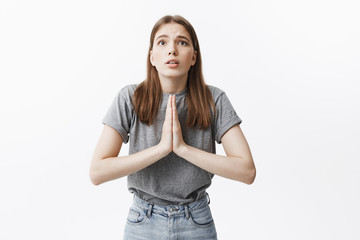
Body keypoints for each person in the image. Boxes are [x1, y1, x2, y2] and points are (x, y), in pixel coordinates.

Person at [89, 15, 256, 240]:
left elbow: (247, 171)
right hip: (143, 222)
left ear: (194, 57)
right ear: (152, 57)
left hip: (196, 221)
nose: (172, 50)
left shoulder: (214, 99)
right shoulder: (130, 98)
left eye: (182, 42)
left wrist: (183, 149)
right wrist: (161, 149)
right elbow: (97, 172)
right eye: (162, 42)